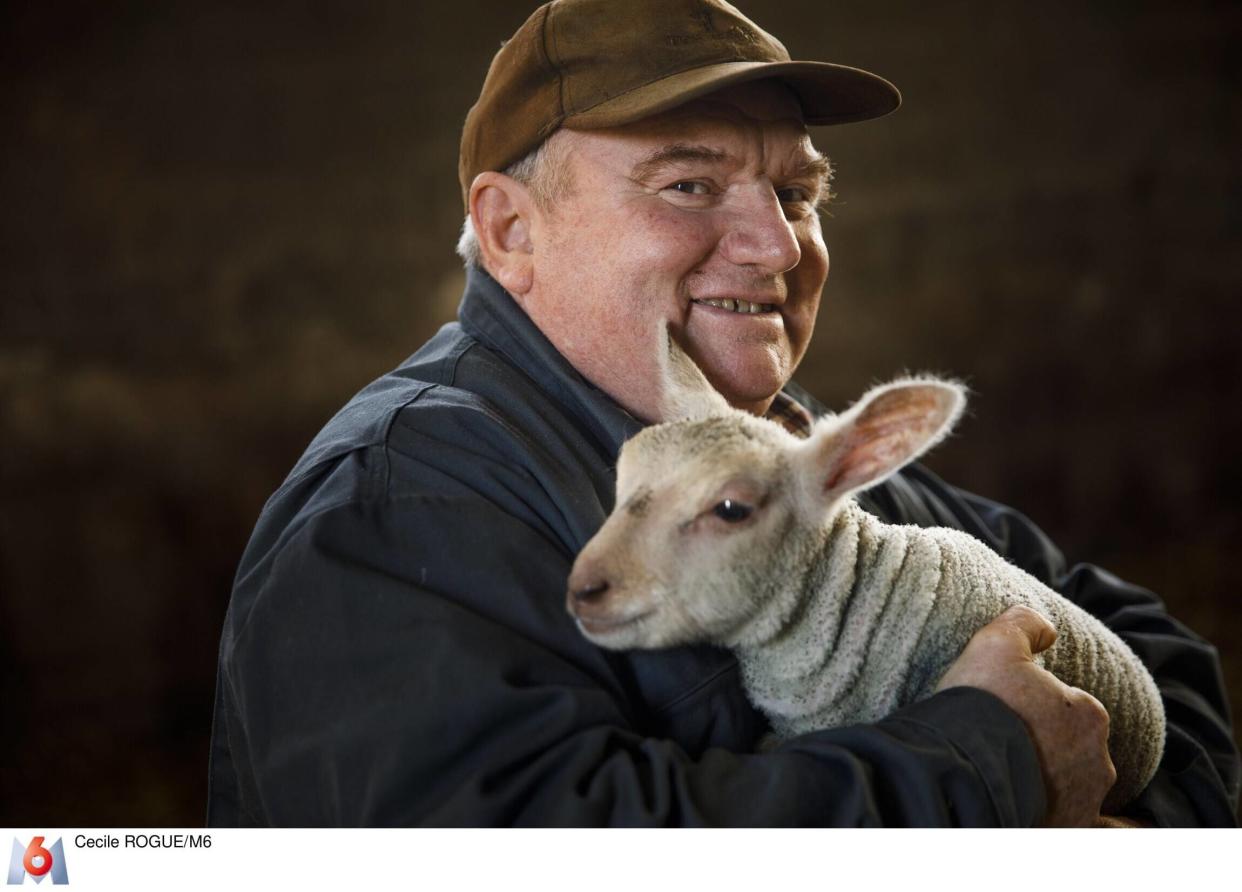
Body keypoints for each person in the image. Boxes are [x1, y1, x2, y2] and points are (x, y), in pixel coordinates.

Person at [207, 0, 1239, 826]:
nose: (781, 247)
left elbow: (1161, 656)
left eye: (797, 194)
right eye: (692, 184)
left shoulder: (789, 453)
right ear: (512, 231)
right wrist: (984, 772)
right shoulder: (405, 499)